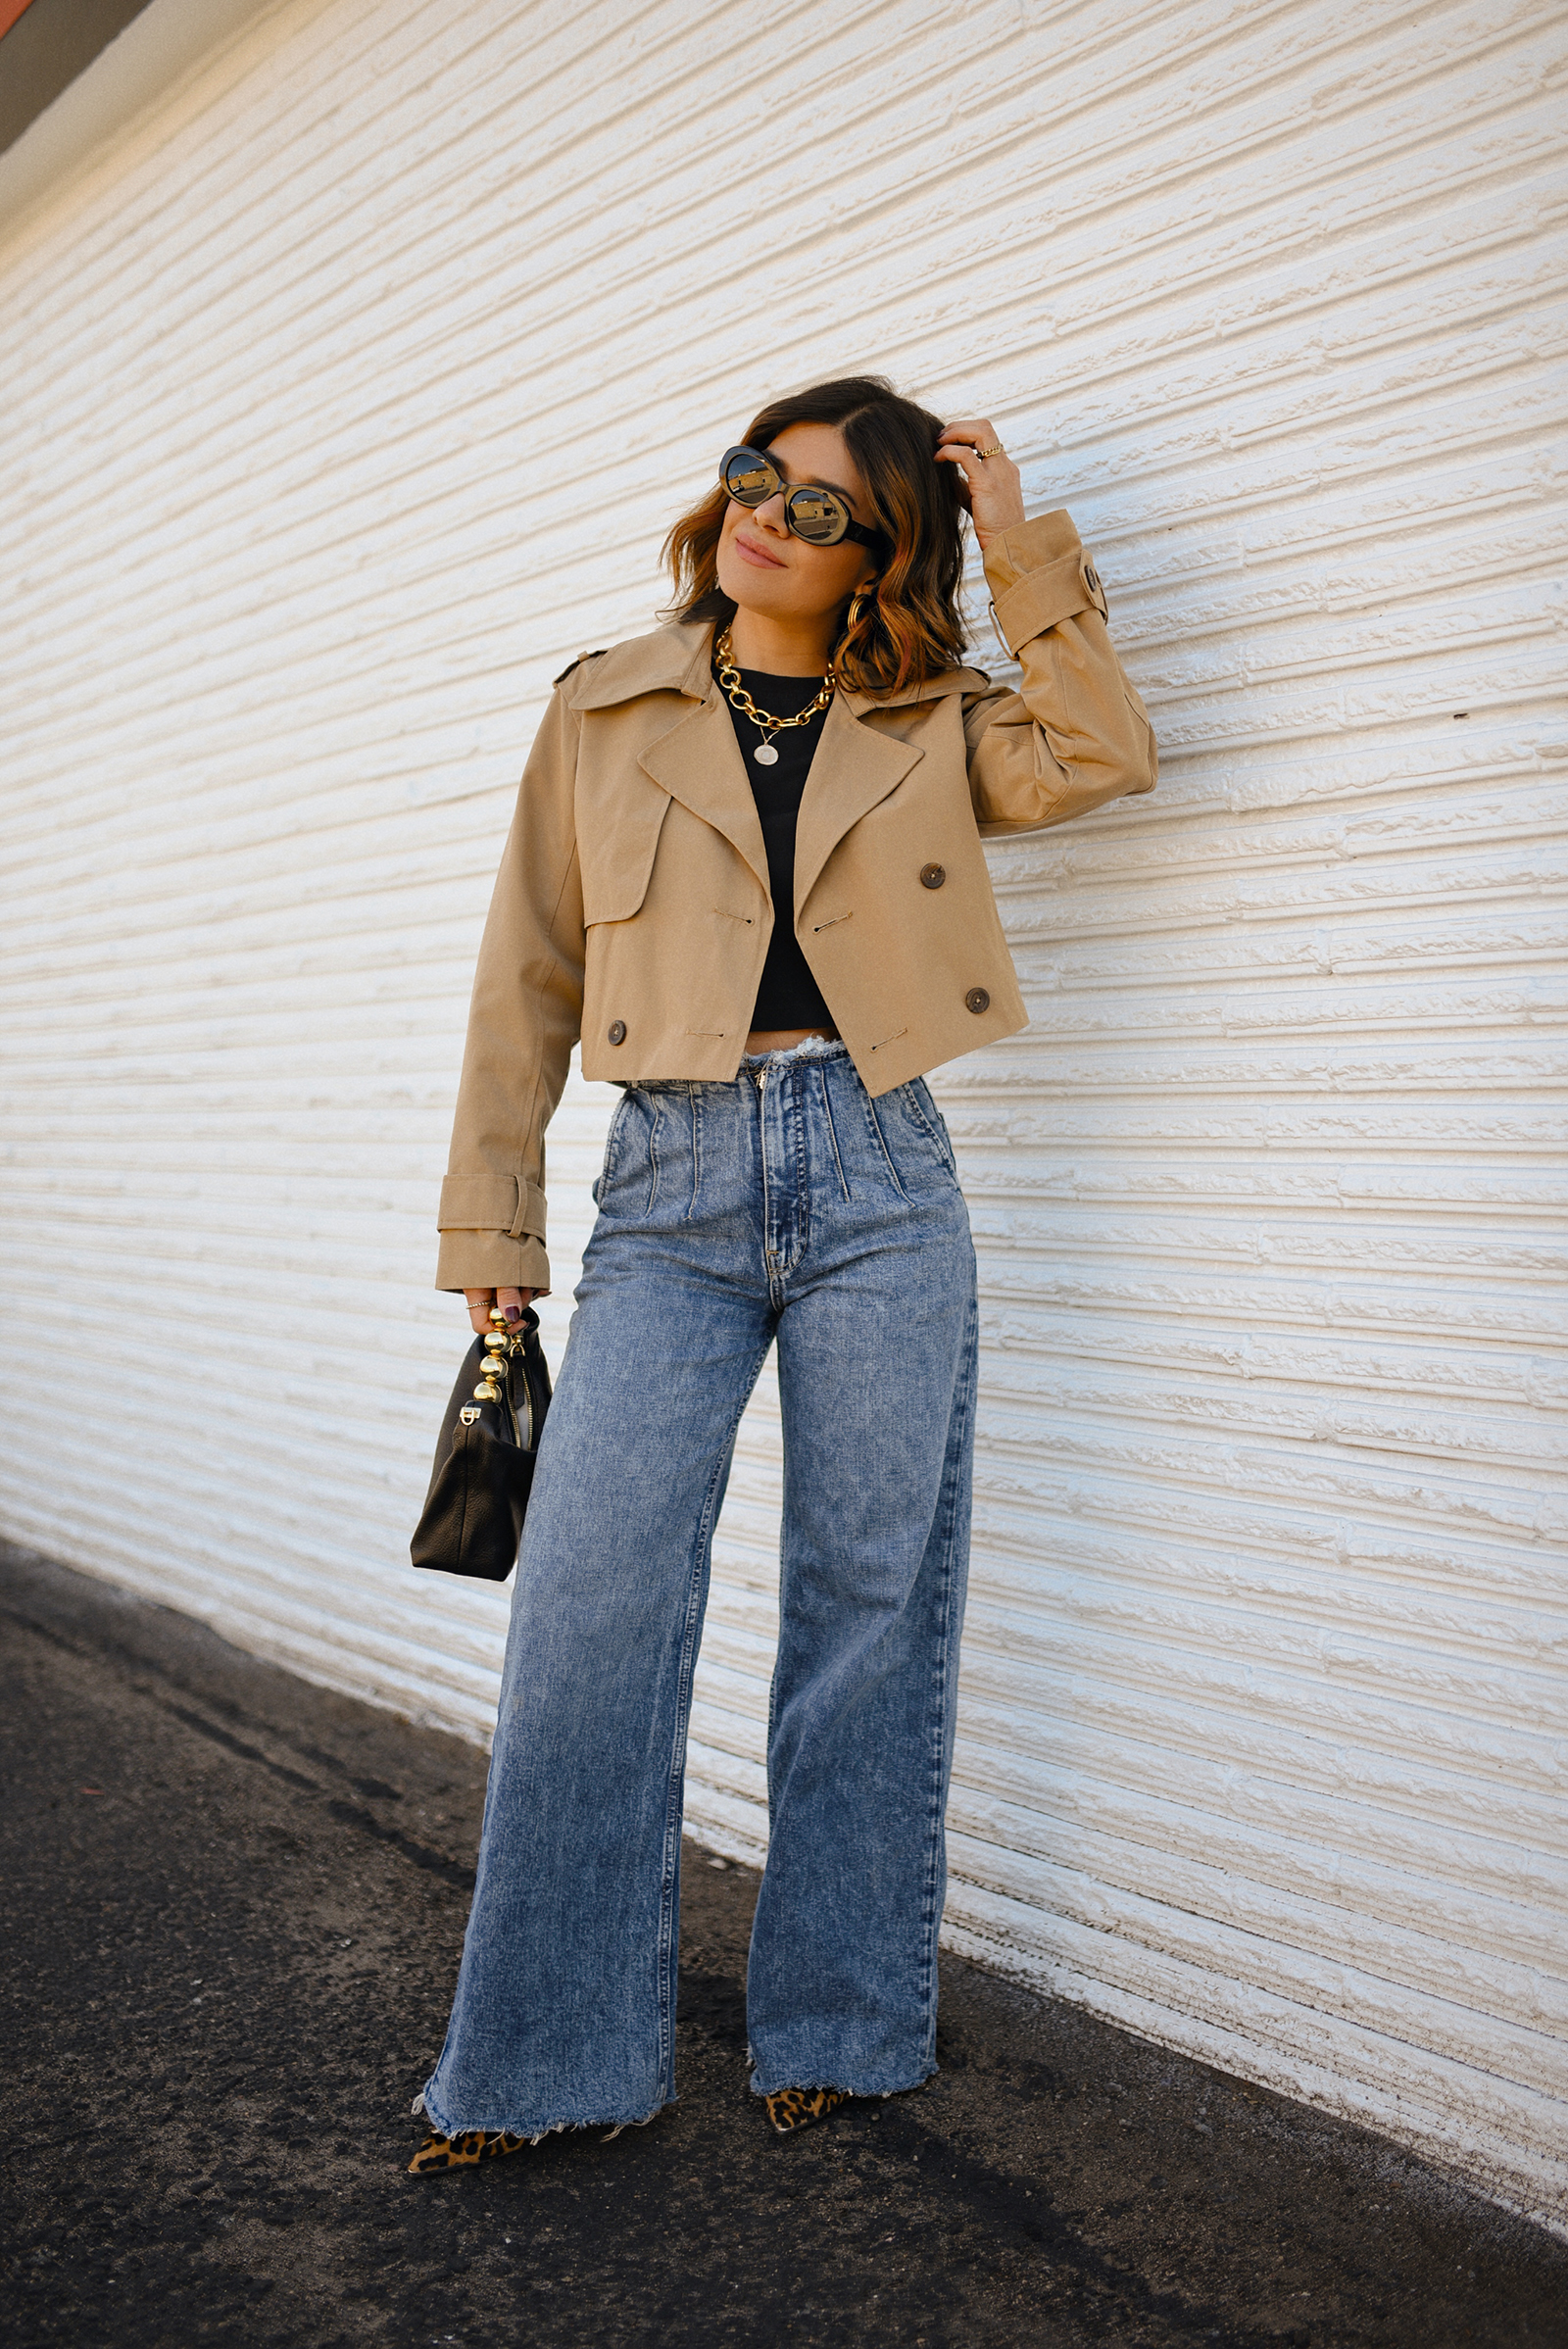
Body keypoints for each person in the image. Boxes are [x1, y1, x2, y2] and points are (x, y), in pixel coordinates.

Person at [409, 376, 1156, 2170]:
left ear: (881, 551)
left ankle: (840, 2024)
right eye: (761, 478)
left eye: (826, 507)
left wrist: (1018, 542)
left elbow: (1105, 750)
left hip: (884, 1171)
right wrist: (491, 1238)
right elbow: (520, 976)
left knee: (869, 1609)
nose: (773, 517)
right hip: (664, 1182)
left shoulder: (933, 717)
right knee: (591, 1610)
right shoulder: (604, 704)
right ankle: (549, 2060)